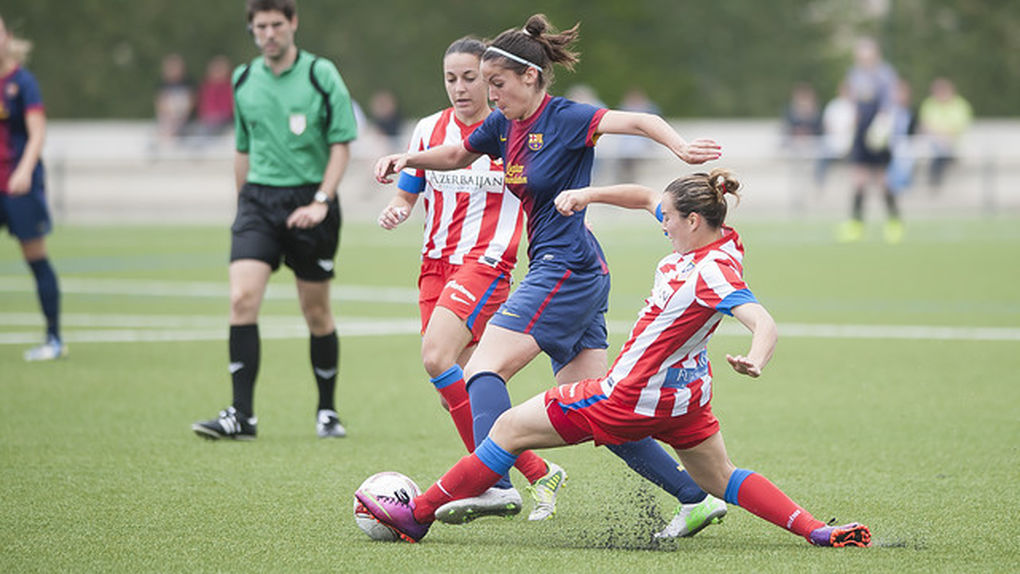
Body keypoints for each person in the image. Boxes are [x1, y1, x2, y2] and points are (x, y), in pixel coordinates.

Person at [355, 169, 873, 549]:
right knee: (723, 478)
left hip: (630, 395)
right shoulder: (717, 241)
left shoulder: (712, 272)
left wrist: (758, 357)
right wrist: (588, 195)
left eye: (668, 220)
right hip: (687, 397)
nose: (661, 224)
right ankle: (818, 531)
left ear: (693, 220)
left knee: (509, 429)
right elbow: (647, 195)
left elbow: (763, 320)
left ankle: (418, 515)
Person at [374, 14, 727, 538]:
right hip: (572, 267)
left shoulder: (567, 117)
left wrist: (678, 146)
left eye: (497, 83)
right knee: (598, 411)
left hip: (566, 269)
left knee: (483, 371)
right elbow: (454, 152)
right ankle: (694, 499)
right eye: (485, 84)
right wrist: (410, 157)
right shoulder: (504, 125)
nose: (490, 94)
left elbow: (637, 122)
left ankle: (492, 482)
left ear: (531, 78)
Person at [376, 36, 566, 521]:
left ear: (489, 79)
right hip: (434, 266)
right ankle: (536, 470)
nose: (460, 88)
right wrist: (398, 208)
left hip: (486, 263)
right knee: (461, 384)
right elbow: (408, 191)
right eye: (451, 79)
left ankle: (491, 483)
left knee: (436, 356)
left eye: (471, 78)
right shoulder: (427, 128)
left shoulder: (510, 129)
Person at [192, 0, 357, 440]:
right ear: (252, 29)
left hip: (311, 199)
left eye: (276, 25)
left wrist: (322, 200)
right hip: (258, 203)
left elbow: (342, 145)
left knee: (316, 311)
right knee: (242, 298)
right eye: (260, 26)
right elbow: (242, 148)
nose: (268, 34)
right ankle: (241, 415)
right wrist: (242, 205)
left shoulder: (321, 75)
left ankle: (327, 410)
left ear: (293, 24)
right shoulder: (243, 79)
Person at [0, 15, 65, 362]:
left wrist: (23, 171)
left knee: (36, 258)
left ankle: (54, 339)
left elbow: (37, 132)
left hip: (18, 185)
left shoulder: (23, 83)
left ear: (7, 37)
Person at [838, 37, 901, 244]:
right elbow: (855, 103)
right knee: (859, 180)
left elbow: (888, 104)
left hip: (877, 131)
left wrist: (882, 127)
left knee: (883, 180)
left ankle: (894, 222)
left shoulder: (885, 75)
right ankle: (856, 224)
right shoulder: (855, 74)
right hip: (861, 131)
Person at [918, 77, 972, 193]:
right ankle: (938, 174)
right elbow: (924, 126)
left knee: (942, 148)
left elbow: (957, 128)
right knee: (939, 148)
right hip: (934, 142)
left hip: (952, 142)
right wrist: (938, 136)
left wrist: (941, 135)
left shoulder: (960, 105)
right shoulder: (929, 104)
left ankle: (935, 179)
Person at [154, 52, 194, 145]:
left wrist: (180, 116)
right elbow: (160, 103)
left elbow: (191, 102)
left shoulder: (188, 84)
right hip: (168, 118)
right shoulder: (162, 85)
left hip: (184, 119)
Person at [195, 55, 234, 136]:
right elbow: (203, 106)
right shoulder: (206, 87)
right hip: (208, 122)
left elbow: (230, 106)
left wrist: (220, 116)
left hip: (226, 122)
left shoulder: (230, 87)